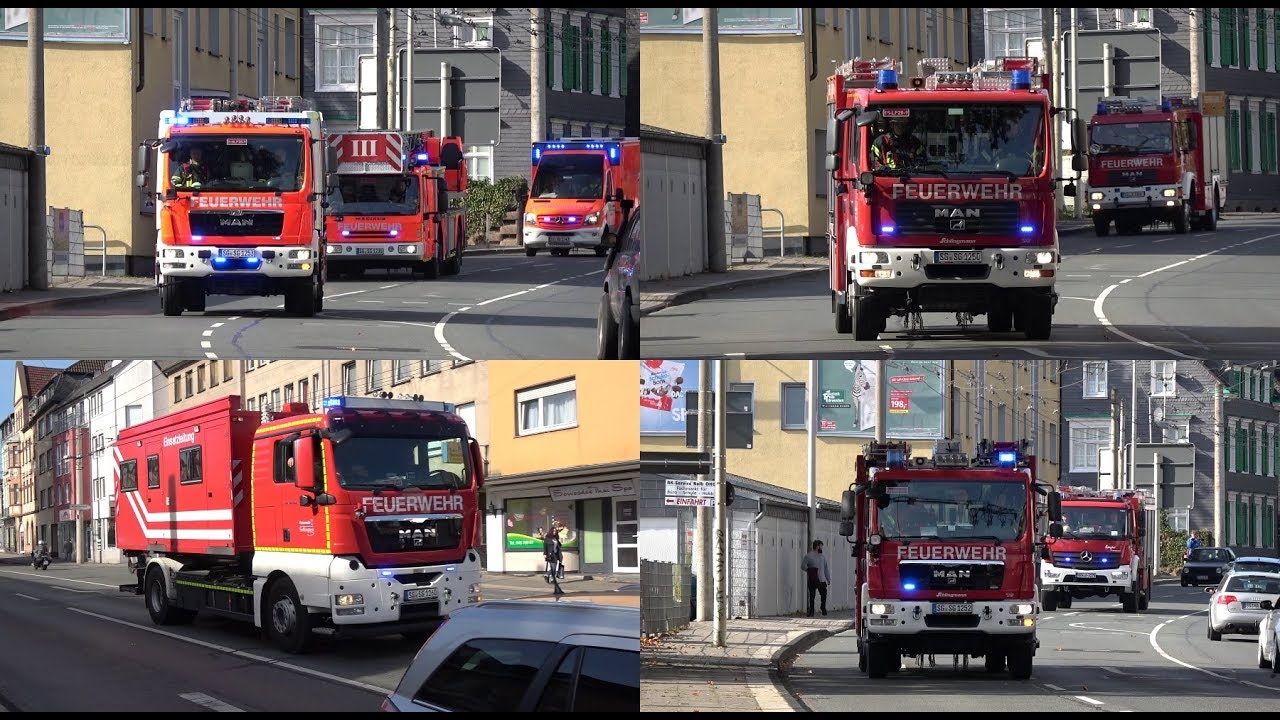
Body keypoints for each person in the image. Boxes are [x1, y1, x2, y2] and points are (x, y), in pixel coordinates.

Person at [802, 540, 830, 617]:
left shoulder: (822, 556)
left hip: (822, 579)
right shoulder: (809, 556)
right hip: (813, 579)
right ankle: (811, 611)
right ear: (817, 546)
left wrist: (828, 579)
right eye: (821, 546)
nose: (822, 547)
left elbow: (826, 568)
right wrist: (809, 570)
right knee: (812, 596)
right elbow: (803, 566)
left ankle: (822, 607)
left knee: (823, 594)